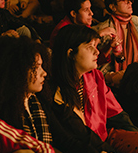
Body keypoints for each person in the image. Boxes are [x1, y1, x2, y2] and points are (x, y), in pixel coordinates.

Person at [0, 35, 116, 153]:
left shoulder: (37, 100)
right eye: (36, 67)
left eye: (43, 66)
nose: (44, 73)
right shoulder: (4, 109)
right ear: (17, 71)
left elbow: (64, 138)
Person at [51, 24, 138, 153]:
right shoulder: (56, 89)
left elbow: (116, 113)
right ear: (71, 54)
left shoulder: (95, 77)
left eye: (96, 46)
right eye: (90, 47)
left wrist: (133, 133)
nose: (97, 52)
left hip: (104, 137)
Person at [93, 0, 138, 86]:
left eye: (129, 0)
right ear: (113, 7)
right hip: (111, 75)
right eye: (124, 0)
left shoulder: (135, 21)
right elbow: (99, 64)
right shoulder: (104, 29)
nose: (129, 2)